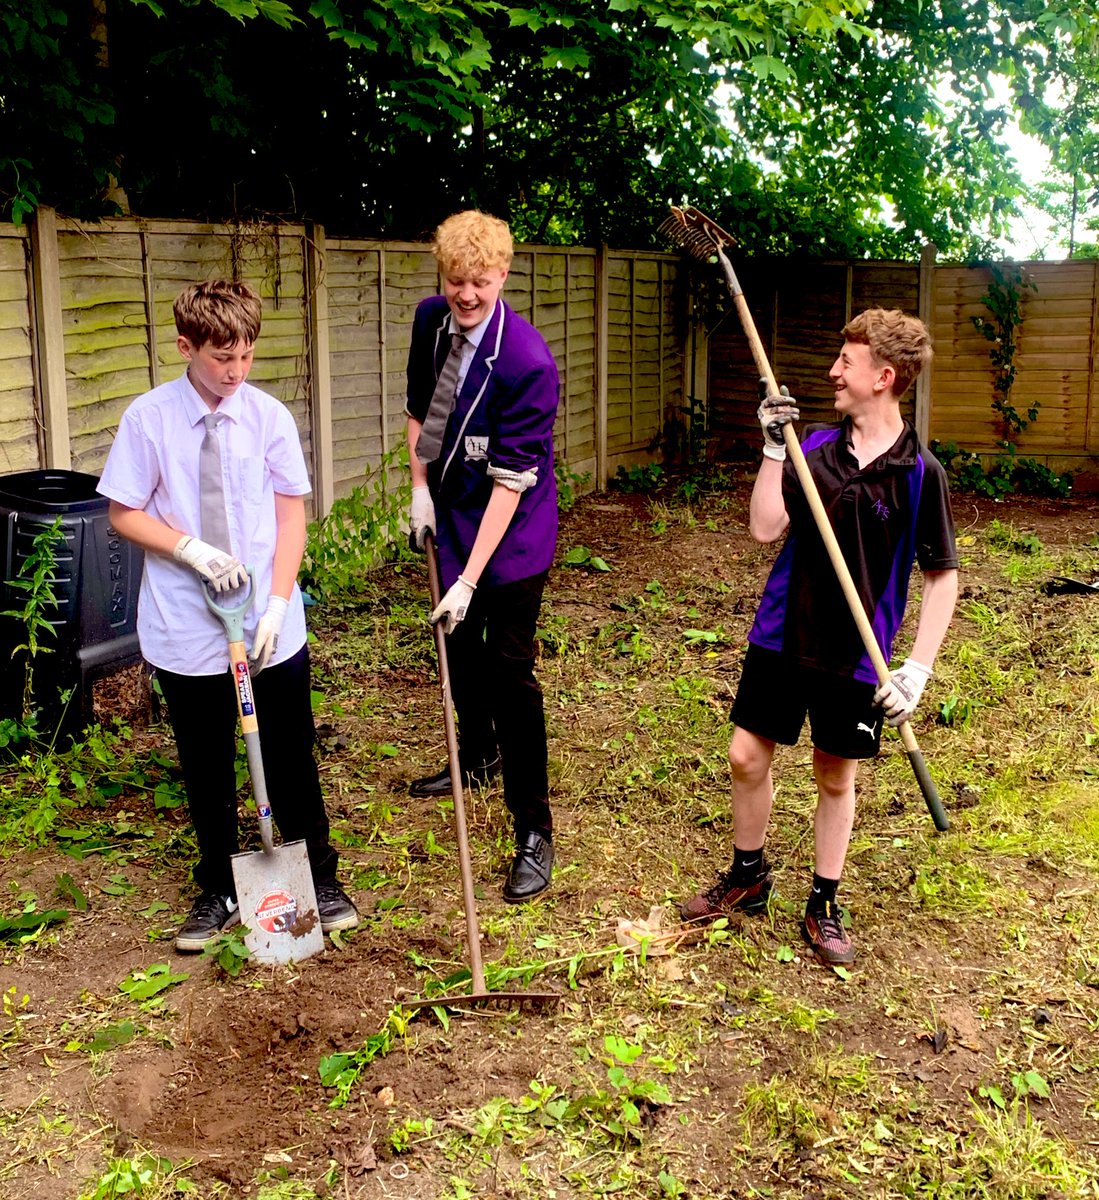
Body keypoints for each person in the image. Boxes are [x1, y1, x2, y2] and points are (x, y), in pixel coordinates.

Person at [681, 308, 958, 966]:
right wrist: (775, 448)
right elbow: (763, 528)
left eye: (847, 362)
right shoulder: (813, 454)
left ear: (883, 377)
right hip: (781, 634)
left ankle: (823, 900)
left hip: (854, 655)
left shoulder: (920, 474)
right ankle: (747, 875)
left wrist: (915, 670)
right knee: (746, 755)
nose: (833, 370)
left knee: (834, 774)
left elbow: (942, 578)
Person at [98, 279, 359, 952]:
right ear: (186, 346)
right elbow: (123, 512)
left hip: (270, 623)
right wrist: (188, 547)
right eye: (221, 360)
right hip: (186, 621)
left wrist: (278, 599)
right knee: (206, 760)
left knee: (290, 752)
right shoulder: (148, 420)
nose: (236, 372)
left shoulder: (267, 416)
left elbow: (290, 512)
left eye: (245, 357)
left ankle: (319, 877)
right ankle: (216, 885)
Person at [404, 210, 559, 902]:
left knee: (509, 670)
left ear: (502, 274)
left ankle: (533, 829)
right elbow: (420, 410)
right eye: (455, 280)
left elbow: (510, 480)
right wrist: (418, 490)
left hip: (513, 529)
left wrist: (469, 577)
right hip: (451, 511)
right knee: (458, 650)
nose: (465, 295)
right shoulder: (429, 320)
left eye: (479, 281)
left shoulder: (526, 361)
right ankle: (476, 757)